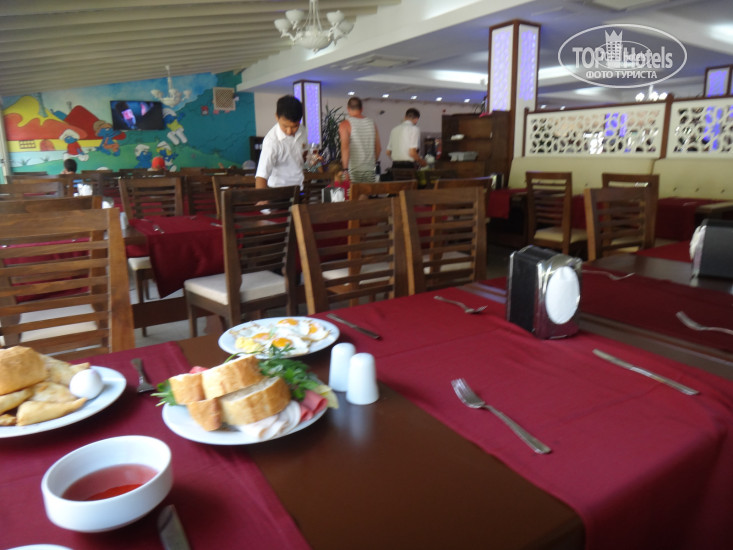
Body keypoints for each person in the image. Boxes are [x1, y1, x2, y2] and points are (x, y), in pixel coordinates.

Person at [255, 95, 308, 189]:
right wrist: (261, 197)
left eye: (294, 126)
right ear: (276, 116)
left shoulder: (303, 131)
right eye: (285, 126)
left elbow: (303, 157)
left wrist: (311, 159)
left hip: (299, 187)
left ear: (300, 120)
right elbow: (261, 175)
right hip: (277, 190)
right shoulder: (272, 141)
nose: (289, 131)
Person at [338, 97, 380, 183]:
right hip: (370, 169)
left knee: (353, 192)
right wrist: (372, 163)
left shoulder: (345, 124)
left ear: (348, 109)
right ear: (362, 109)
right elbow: (378, 148)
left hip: (353, 170)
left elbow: (345, 148)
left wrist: (345, 170)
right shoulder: (372, 123)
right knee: (367, 192)